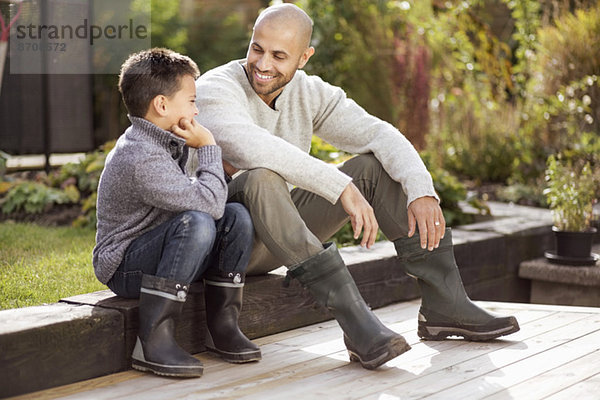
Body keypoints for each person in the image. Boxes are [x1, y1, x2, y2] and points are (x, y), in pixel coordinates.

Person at [192, 4, 520, 370]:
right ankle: (357, 324)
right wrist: (340, 187)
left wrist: (422, 189)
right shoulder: (214, 88)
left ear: (304, 57)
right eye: (257, 48)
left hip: (277, 235)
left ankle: (445, 304)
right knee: (261, 176)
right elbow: (249, 146)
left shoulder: (310, 92)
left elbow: (378, 133)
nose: (263, 64)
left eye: (279, 55)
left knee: (370, 167)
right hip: (226, 242)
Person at [93, 48, 260, 378]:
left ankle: (222, 326)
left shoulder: (162, 139)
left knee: (236, 217)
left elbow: (204, 200)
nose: (197, 110)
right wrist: (210, 148)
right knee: (198, 221)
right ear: (162, 105)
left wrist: (217, 171)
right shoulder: (140, 155)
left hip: (160, 250)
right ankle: (153, 340)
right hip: (124, 268)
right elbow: (207, 206)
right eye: (192, 100)